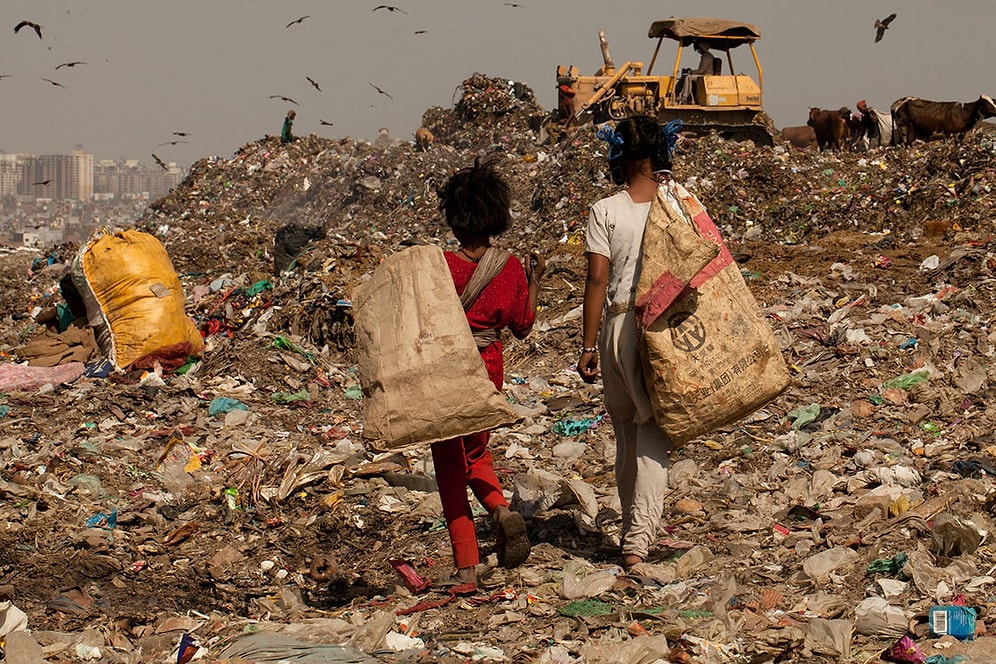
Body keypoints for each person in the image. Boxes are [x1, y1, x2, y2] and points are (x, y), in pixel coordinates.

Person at [433, 157, 545, 590]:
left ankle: (466, 566)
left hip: (449, 370)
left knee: (449, 463)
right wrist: (534, 281)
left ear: (454, 218)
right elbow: (523, 325)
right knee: (476, 451)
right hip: (489, 369)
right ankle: (499, 510)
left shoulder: (440, 266)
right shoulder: (509, 267)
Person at [578, 115, 682, 569]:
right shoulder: (676, 204)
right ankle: (638, 542)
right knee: (652, 432)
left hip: (615, 328)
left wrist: (588, 347)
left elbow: (597, 280)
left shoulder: (605, 210)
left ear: (619, 157)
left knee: (625, 433)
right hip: (658, 328)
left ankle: (627, 529)